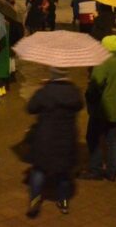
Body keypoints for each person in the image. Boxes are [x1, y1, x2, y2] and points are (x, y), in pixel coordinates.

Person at [25, 67, 83, 218]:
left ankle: (35, 200)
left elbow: (31, 108)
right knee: (64, 171)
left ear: (52, 74)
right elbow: (79, 105)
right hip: (66, 137)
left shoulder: (45, 92)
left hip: (45, 136)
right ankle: (63, 201)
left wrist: (43, 88)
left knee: (39, 169)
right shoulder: (74, 92)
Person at [80, 35, 116, 182]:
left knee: (92, 137)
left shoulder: (102, 63)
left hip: (100, 109)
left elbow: (95, 86)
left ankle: (96, 169)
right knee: (112, 139)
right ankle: (112, 171)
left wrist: (88, 96)